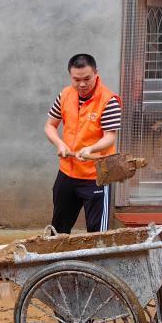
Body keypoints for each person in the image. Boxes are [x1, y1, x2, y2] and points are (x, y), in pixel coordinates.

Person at [44, 53, 122, 234]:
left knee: (97, 235)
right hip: (67, 172)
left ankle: (97, 262)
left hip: (97, 174)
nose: (82, 84)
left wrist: (91, 148)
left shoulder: (109, 100)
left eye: (87, 78)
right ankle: (59, 262)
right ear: (70, 76)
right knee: (58, 230)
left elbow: (109, 137)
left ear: (96, 73)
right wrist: (59, 143)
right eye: (76, 79)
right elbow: (49, 125)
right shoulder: (65, 95)